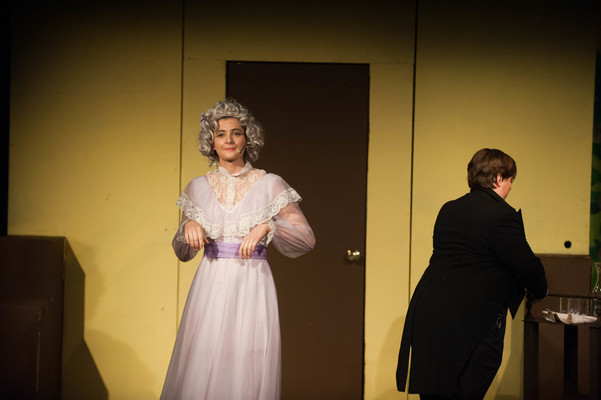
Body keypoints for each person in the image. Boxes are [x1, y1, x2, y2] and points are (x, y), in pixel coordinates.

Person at [160, 99, 315, 400]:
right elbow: (182, 252)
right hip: (211, 283)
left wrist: (268, 226)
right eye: (220, 134)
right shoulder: (197, 187)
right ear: (211, 142)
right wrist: (188, 225)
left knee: (248, 358)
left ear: (247, 139)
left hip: (252, 282)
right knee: (205, 356)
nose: (229, 140)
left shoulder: (270, 183)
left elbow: (305, 238)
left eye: (236, 133)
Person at [396, 148, 548, 400]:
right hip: (472, 318)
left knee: (436, 390)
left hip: (430, 311)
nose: (510, 188)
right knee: (466, 390)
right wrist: (541, 290)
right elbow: (525, 264)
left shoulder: (449, 209)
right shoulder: (502, 215)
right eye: (510, 181)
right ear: (499, 178)